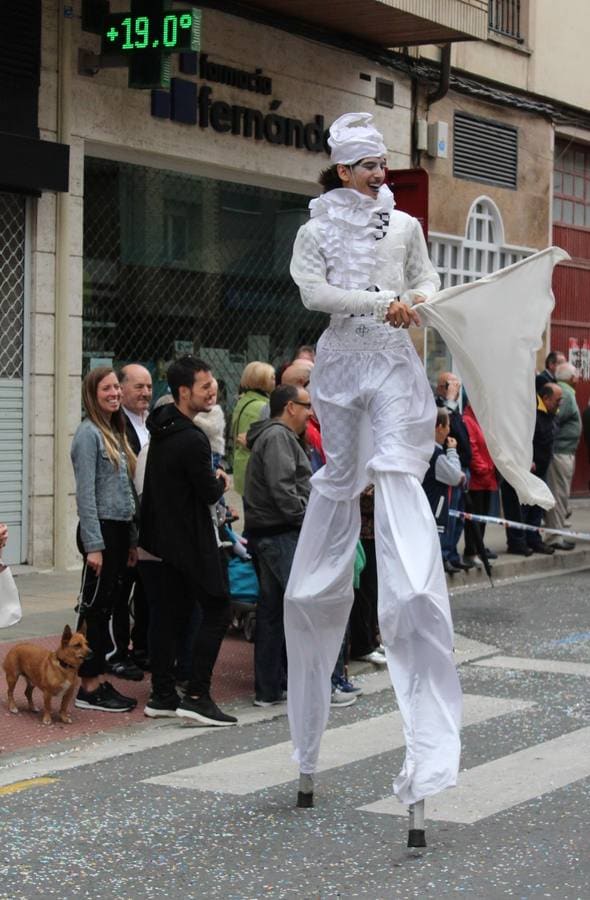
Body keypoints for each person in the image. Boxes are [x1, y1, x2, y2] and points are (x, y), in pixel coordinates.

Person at [285, 112, 462, 809]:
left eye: (382, 163)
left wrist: (413, 302)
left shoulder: (407, 226)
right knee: (337, 482)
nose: (378, 174)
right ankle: (321, 597)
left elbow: (430, 281)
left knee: (395, 473)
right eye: (366, 165)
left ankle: (412, 594)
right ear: (341, 169)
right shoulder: (315, 228)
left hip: (391, 364)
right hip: (340, 366)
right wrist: (383, 300)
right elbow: (314, 293)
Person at [140, 356, 237, 726]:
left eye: (212, 383)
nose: (212, 390)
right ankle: (197, 693)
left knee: (167, 617)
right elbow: (208, 492)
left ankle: (162, 694)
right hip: (190, 541)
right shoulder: (192, 438)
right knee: (217, 608)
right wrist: (221, 479)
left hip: (162, 542)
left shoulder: (162, 431)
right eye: (204, 385)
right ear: (184, 392)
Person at [70, 367, 138, 712]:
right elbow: (86, 496)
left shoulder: (114, 430)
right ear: (92, 394)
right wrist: (94, 545)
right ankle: (89, 686)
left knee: (107, 607)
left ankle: (94, 677)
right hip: (99, 532)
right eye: (106, 389)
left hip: (117, 530)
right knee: (95, 611)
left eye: (116, 388)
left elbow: (125, 493)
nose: (114, 393)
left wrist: (129, 541)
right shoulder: (88, 435)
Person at [243, 383, 312, 707]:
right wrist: (303, 516)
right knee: (287, 610)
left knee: (275, 611)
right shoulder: (277, 438)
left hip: (273, 531)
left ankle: (273, 686)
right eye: (306, 405)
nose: (310, 412)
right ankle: (276, 685)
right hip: (278, 533)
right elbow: (283, 487)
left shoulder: (277, 437)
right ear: (290, 407)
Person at [107, 362, 154, 680]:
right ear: (121, 389)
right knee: (118, 595)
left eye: (149, 387)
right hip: (124, 524)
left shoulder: (152, 423)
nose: (146, 393)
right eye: (139, 386)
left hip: (150, 523)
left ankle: (141, 649)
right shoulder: (113, 426)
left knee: (148, 591)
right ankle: (116, 654)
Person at [434, 372, 473, 571]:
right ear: (442, 387)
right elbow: (446, 428)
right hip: (448, 465)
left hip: (463, 464)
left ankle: (453, 553)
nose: (457, 390)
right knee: (448, 516)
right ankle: (444, 555)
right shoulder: (439, 407)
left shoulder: (456, 408)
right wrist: (449, 399)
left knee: (460, 516)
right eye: (452, 385)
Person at [422, 408, 466, 574]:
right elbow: (455, 476)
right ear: (439, 427)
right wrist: (453, 451)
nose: (449, 431)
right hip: (435, 509)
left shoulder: (423, 449)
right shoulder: (437, 454)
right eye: (447, 426)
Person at [544, 362, 581, 549]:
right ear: (571, 378)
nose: (578, 378)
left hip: (564, 451)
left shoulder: (566, 393)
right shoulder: (565, 394)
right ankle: (554, 536)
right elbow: (554, 420)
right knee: (558, 495)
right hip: (560, 452)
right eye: (576, 375)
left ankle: (557, 533)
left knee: (560, 495)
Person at [523, 382, 563, 554]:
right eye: (557, 400)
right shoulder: (532, 412)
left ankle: (534, 538)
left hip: (544, 466)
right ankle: (525, 539)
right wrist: (528, 459)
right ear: (545, 398)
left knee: (539, 505)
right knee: (528, 505)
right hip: (531, 468)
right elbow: (525, 438)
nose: (559, 404)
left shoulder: (551, 412)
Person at [230, 361, 276, 495]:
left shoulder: (242, 401)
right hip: (256, 469)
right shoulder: (264, 406)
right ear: (262, 381)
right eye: (272, 378)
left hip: (241, 463)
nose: (275, 381)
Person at [462, 401, 498, 567]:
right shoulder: (468, 420)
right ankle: (471, 551)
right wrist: (483, 468)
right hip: (479, 477)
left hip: (488, 476)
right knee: (474, 518)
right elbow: (473, 447)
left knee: (482, 516)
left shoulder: (482, 419)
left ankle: (479, 547)